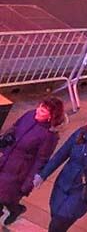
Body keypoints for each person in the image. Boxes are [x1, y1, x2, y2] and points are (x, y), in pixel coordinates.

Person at [0, 96, 65, 224]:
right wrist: (6, 139)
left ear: (51, 116)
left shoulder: (49, 136)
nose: (38, 111)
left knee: (3, 195)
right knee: (5, 198)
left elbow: (41, 160)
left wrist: (29, 183)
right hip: (5, 161)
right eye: (40, 106)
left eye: (43, 110)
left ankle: (15, 208)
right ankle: (15, 209)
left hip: (18, 173)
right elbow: (15, 127)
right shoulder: (30, 115)